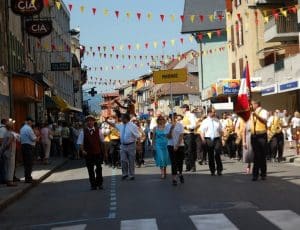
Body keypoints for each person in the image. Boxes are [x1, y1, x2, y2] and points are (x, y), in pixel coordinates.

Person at [108, 113, 140, 180]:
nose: (120, 119)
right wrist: (106, 121)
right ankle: (125, 174)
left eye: (122, 118)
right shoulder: (121, 125)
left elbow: (138, 136)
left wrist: (138, 145)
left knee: (131, 160)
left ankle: (131, 175)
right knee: (123, 160)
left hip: (131, 145)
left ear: (126, 118)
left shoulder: (133, 126)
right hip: (123, 145)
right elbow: (114, 125)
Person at [77, 115, 104, 190]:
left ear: (94, 121)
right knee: (90, 169)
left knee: (99, 168)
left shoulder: (99, 131)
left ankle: (100, 183)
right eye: (88, 121)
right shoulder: (83, 132)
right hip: (88, 153)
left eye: (91, 120)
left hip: (97, 152)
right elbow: (80, 143)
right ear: (86, 123)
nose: (90, 122)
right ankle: (93, 185)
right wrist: (83, 150)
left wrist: (103, 152)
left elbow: (102, 141)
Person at [200, 107, 223, 176]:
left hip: (217, 138)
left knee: (217, 154)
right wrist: (203, 139)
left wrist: (222, 139)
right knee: (210, 155)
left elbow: (220, 130)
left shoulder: (217, 120)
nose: (215, 113)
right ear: (209, 113)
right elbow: (201, 131)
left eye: (215, 112)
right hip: (208, 139)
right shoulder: (205, 121)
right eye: (214, 112)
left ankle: (219, 170)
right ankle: (212, 170)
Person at [249, 100, 268, 181]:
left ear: (257, 104)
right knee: (256, 155)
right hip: (254, 136)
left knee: (262, 155)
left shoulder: (263, 111)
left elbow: (264, 120)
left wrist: (256, 115)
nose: (251, 105)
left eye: (252, 104)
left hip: (262, 135)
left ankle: (263, 173)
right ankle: (255, 174)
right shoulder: (251, 113)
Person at [166, 114, 185, 186]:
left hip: (180, 145)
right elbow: (168, 137)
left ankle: (180, 173)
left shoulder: (180, 125)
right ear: (170, 118)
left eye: (175, 118)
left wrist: (177, 145)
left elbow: (181, 135)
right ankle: (174, 178)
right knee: (173, 162)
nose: (174, 119)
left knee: (180, 162)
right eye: (172, 118)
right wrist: (171, 129)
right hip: (170, 145)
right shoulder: (167, 126)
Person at [0, 119, 18, 186]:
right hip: (10, 153)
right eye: (13, 125)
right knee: (10, 167)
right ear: (11, 127)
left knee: (6, 167)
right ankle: (10, 181)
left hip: (6, 152)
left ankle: (8, 180)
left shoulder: (6, 133)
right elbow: (7, 144)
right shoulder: (11, 134)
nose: (14, 126)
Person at [20, 117, 37, 183]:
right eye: (32, 121)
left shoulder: (22, 128)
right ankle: (28, 178)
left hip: (24, 146)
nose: (32, 123)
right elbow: (33, 138)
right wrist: (37, 138)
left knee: (26, 163)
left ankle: (27, 177)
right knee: (29, 163)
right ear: (29, 121)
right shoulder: (29, 128)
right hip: (29, 147)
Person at [181, 104, 197, 172]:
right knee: (186, 151)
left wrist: (186, 126)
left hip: (190, 134)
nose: (181, 109)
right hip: (184, 135)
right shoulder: (184, 116)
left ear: (186, 108)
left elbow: (194, 125)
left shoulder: (191, 115)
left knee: (190, 151)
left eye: (182, 108)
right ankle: (188, 166)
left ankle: (193, 166)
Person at [0, 118, 8, 184]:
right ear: (5, 122)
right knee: (2, 164)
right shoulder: (3, 129)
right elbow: (1, 139)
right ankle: (2, 179)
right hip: (2, 149)